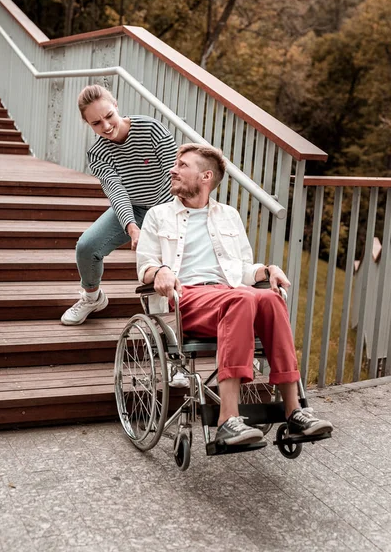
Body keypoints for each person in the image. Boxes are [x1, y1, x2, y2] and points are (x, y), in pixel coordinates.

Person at [136, 142, 334, 446]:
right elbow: (145, 267)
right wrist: (160, 271)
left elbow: (242, 269)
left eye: (183, 166)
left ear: (205, 177)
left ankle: (295, 411)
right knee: (241, 297)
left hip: (229, 296)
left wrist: (268, 270)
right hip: (185, 298)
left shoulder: (228, 216)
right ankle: (229, 419)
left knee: (269, 297)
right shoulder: (158, 216)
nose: (173, 170)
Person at [61, 84, 177, 326]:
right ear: (87, 123)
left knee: (164, 256)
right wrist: (132, 227)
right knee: (87, 246)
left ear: (116, 105)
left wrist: (158, 223)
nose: (106, 127)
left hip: (167, 205)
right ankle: (92, 297)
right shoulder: (98, 153)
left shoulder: (152, 129)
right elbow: (116, 191)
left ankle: (169, 317)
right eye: (95, 123)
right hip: (133, 207)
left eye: (108, 116)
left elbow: (174, 176)